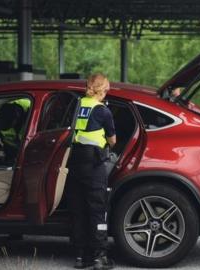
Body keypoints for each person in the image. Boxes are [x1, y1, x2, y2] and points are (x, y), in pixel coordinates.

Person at [66, 73, 116, 270]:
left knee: (77, 210)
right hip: (94, 164)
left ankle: (80, 256)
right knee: (97, 210)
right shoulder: (103, 111)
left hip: (74, 161)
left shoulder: (77, 105)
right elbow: (113, 141)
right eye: (106, 90)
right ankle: (99, 257)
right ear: (102, 89)